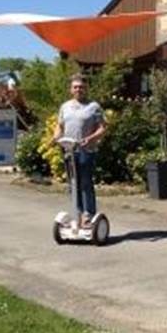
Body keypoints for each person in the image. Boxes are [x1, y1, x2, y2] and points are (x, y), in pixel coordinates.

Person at [53, 74, 106, 227]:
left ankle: (88, 214)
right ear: (71, 90)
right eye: (75, 87)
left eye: (81, 87)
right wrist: (56, 138)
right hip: (69, 150)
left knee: (85, 183)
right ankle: (77, 212)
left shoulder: (93, 107)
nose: (78, 89)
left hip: (86, 150)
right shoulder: (65, 106)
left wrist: (90, 138)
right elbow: (60, 126)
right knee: (73, 183)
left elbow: (103, 128)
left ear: (86, 88)